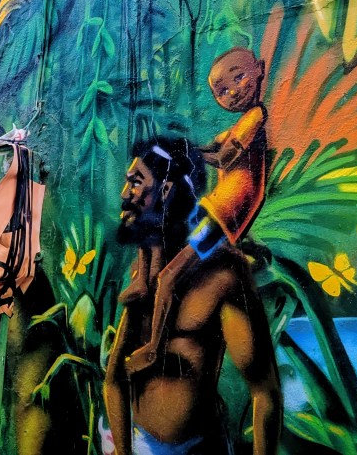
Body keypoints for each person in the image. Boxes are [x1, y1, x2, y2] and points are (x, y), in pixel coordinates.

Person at [104, 137, 281, 455]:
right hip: (140, 442)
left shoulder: (223, 275)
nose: (124, 194)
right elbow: (115, 378)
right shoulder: (141, 270)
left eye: (136, 182)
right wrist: (123, 450)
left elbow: (264, 391)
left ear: (166, 191)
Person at [122, 48, 268, 373]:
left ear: (259, 69)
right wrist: (184, 149)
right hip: (215, 208)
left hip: (223, 216)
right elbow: (213, 147)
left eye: (239, 78)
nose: (232, 92)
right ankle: (143, 280)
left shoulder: (254, 119)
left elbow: (225, 158)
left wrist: (195, 155)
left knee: (169, 277)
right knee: (160, 223)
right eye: (222, 91)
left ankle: (153, 349)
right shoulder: (242, 124)